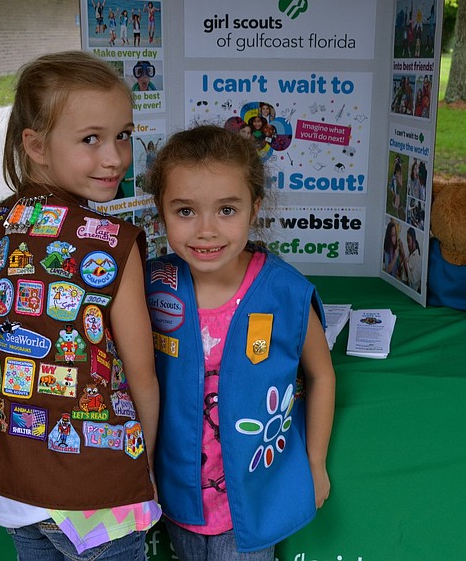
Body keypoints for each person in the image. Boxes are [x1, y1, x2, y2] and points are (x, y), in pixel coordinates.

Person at [0, 50, 161, 560]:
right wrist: (148, 468)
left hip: (13, 482)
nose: (115, 156)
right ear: (36, 145)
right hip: (99, 492)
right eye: (90, 139)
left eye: (123, 134)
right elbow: (141, 375)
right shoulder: (112, 243)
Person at [143, 125, 336, 560]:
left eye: (227, 210)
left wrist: (315, 464)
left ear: (255, 209)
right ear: (161, 213)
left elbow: (321, 375)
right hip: (177, 497)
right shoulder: (152, 287)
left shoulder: (284, 292)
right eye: (185, 211)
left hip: (254, 499)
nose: (206, 230)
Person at [404, 226, 422, 292]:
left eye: (408, 240)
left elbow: (411, 282)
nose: (408, 244)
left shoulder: (418, 259)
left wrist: (406, 266)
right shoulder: (408, 256)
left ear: (413, 240)